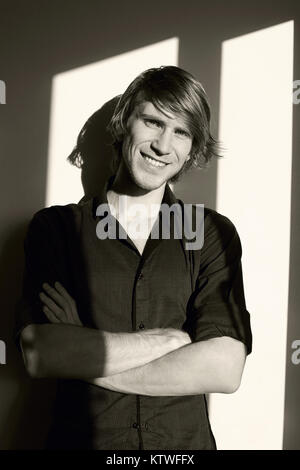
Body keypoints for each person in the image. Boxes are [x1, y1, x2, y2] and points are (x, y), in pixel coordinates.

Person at [15, 66, 252, 450]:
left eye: (181, 132)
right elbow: (42, 354)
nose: (163, 145)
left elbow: (224, 368)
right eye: (152, 122)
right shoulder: (56, 228)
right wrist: (172, 340)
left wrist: (87, 353)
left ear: (192, 148)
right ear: (125, 122)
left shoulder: (211, 233)